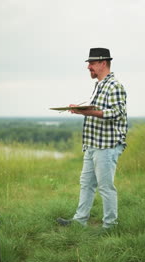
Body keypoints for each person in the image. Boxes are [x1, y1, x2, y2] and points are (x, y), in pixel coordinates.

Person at [57, 48, 128, 229]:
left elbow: (117, 112)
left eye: (92, 63)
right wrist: (81, 109)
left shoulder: (115, 86)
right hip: (92, 144)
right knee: (86, 184)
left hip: (106, 146)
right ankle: (79, 222)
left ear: (103, 63)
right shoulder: (99, 85)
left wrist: (89, 112)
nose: (89, 67)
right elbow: (96, 110)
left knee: (105, 187)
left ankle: (110, 227)